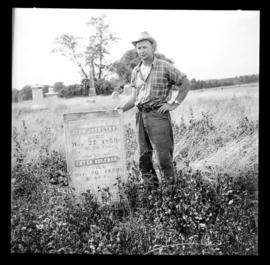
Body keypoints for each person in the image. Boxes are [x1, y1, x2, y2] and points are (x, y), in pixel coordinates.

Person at [117, 32, 190, 189]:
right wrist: (121, 108)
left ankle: (171, 193)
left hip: (158, 115)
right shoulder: (135, 71)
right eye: (139, 48)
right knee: (144, 157)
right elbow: (134, 98)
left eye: (145, 47)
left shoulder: (164, 66)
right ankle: (152, 193)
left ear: (153, 47)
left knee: (163, 157)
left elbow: (185, 82)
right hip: (140, 116)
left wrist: (174, 103)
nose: (141, 50)